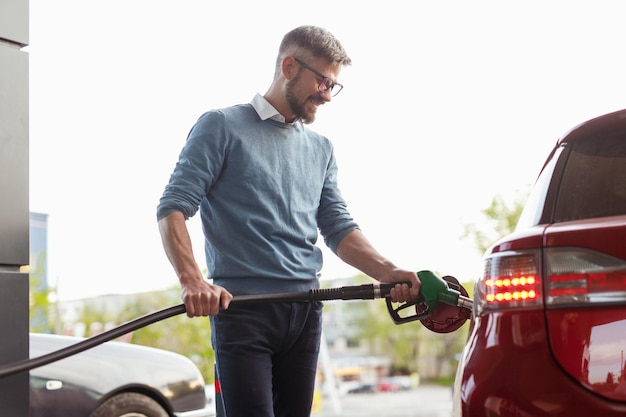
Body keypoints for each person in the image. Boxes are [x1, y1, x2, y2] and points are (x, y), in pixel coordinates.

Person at [157, 25, 420, 417]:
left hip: (306, 309)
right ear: (289, 66)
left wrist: (387, 270)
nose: (328, 95)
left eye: (335, 86)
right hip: (244, 311)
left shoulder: (321, 148)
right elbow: (172, 206)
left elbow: (337, 227)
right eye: (322, 81)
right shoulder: (221, 126)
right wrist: (192, 280)